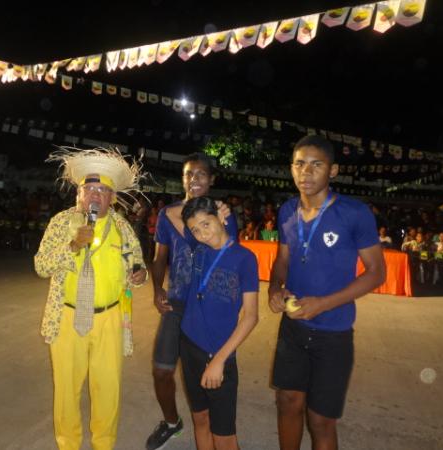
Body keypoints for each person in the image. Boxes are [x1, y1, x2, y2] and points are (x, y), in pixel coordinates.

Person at [268, 135, 385, 450]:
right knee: (287, 401)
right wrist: (275, 289)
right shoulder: (287, 211)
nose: (306, 172)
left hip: (333, 334)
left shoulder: (354, 213)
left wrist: (324, 304)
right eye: (299, 164)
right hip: (293, 329)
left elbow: (377, 273)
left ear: (333, 171)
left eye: (316, 165)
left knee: (320, 420)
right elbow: (282, 260)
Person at [34, 147, 147, 450]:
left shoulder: (123, 228)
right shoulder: (61, 223)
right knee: (66, 391)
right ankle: (68, 444)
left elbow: (138, 263)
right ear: (79, 194)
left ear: (112, 197)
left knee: (107, 389)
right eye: (89, 189)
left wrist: (140, 275)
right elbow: (41, 266)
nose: (95, 195)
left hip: (110, 319)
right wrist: (71, 246)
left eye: (102, 190)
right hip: (68, 318)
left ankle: (103, 445)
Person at [147, 153, 238, 450]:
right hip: (176, 305)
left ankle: (215, 430)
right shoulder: (167, 214)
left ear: (211, 180)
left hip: (207, 308)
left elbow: (230, 260)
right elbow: (160, 258)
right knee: (162, 371)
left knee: (208, 379)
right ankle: (172, 422)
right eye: (189, 174)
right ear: (183, 179)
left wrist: (222, 222)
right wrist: (157, 289)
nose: (194, 179)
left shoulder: (222, 214)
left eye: (201, 174)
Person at [180, 196, 259, 450]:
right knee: (199, 418)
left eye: (206, 223)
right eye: (195, 229)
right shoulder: (198, 250)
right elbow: (173, 217)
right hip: (189, 346)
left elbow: (251, 316)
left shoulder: (245, 259)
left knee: (224, 437)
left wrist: (219, 360)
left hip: (219, 355)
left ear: (220, 218)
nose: (202, 233)